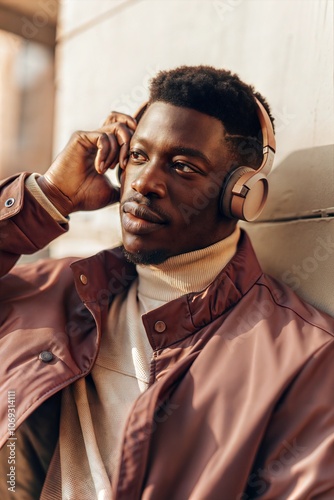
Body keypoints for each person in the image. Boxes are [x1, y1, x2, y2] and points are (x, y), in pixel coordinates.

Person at [0, 65, 333, 500]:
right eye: (137, 156)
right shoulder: (44, 292)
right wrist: (46, 198)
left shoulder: (305, 358)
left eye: (182, 166)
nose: (144, 183)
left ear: (242, 194)